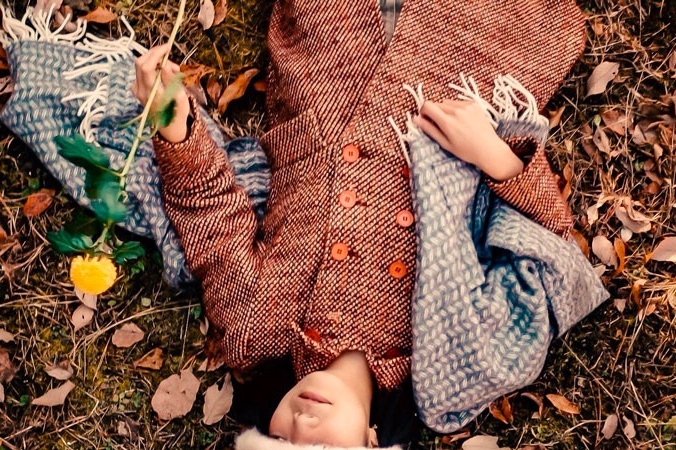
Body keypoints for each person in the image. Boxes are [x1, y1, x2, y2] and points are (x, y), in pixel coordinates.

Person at [132, 0, 588, 448]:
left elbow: (210, 211)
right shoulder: (449, 370)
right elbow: (550, 255)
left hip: (328, 71)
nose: (303, 423)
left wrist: (170, 119)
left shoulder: (253, 330)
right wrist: (496, 156)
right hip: (465, 80)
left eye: (279, 439)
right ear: (372, 444)